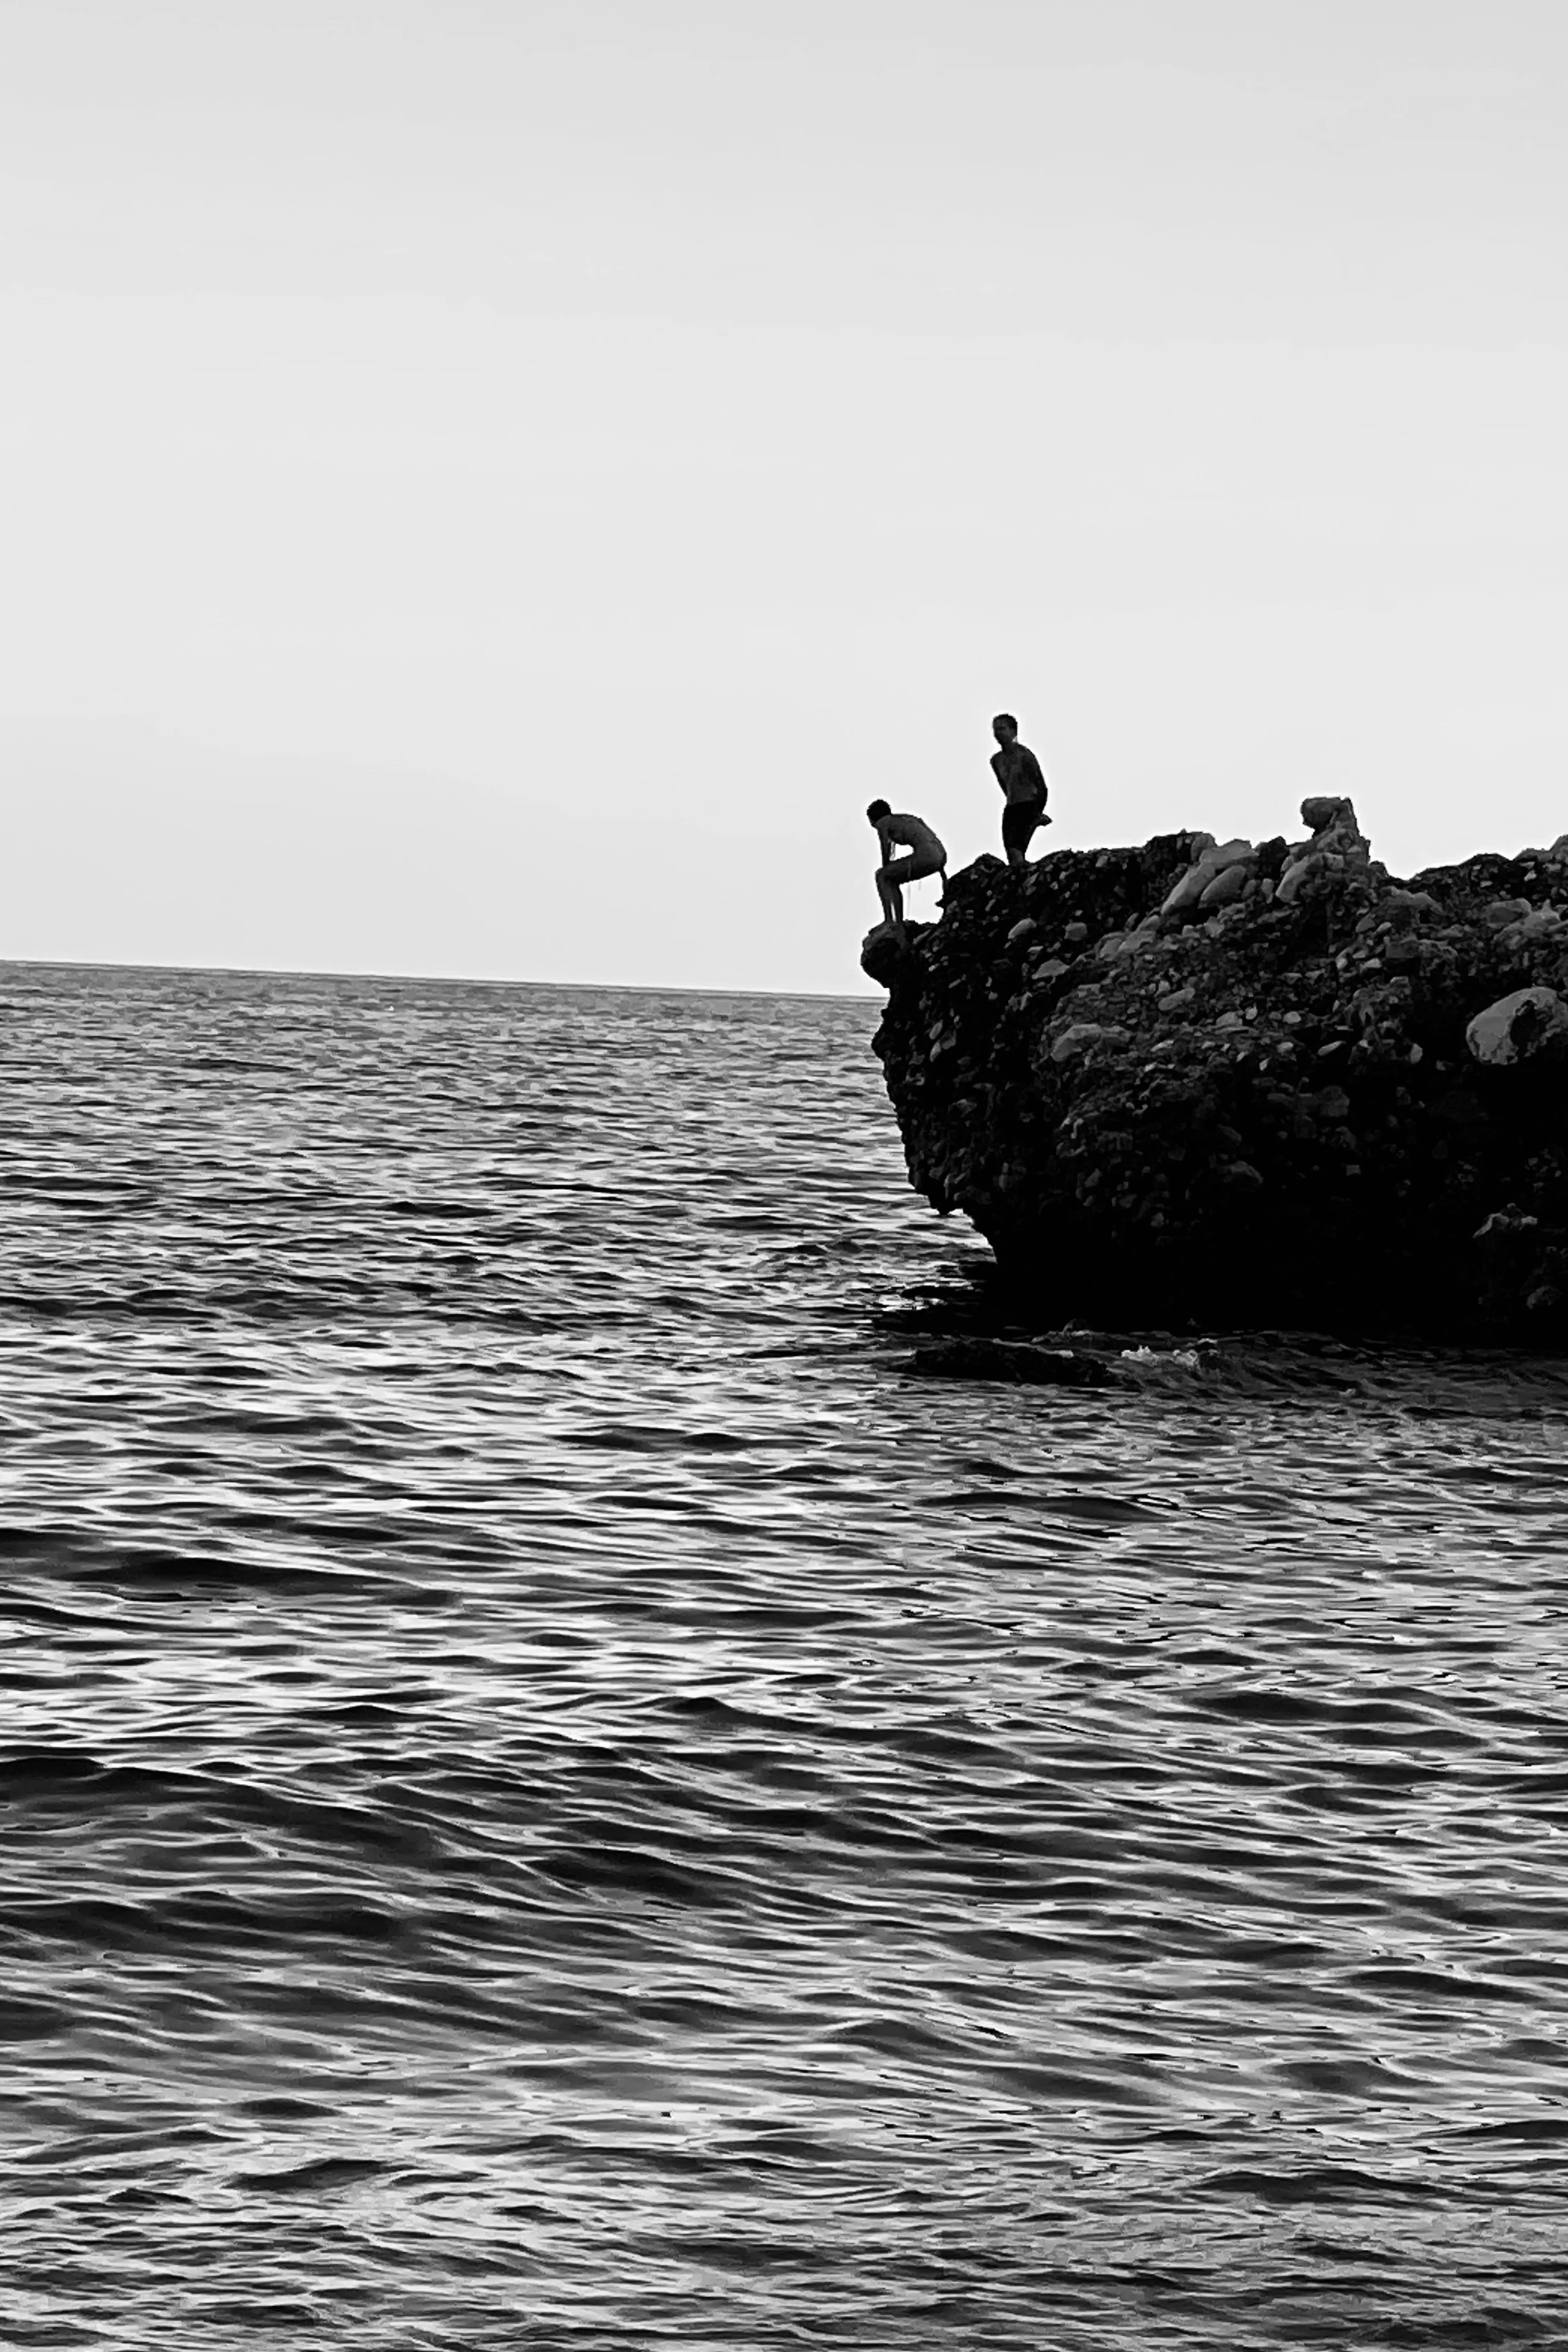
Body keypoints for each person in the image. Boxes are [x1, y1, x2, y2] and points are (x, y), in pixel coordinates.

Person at [867, 800, 946, 935]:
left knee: (882, 876)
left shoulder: (883, 823)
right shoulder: (904, 818)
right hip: (940, 854)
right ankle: (898, 923)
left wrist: (886, 869)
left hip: (927, 856)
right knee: (891, 878)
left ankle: (890, 921)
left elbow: (885, 848)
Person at [990, 712, 1050, 867]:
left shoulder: (1024, 755)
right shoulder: (996, 760)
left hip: (1028, 803)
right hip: (1011, 806)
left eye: (1002, 729)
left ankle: (1036, 820)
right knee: (1011, 852)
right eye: (996, 729)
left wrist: (1038, 810)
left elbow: (1040, 784)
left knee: (1016, 852)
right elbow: (1004, 785)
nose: (998, 733)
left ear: (1013, 731)